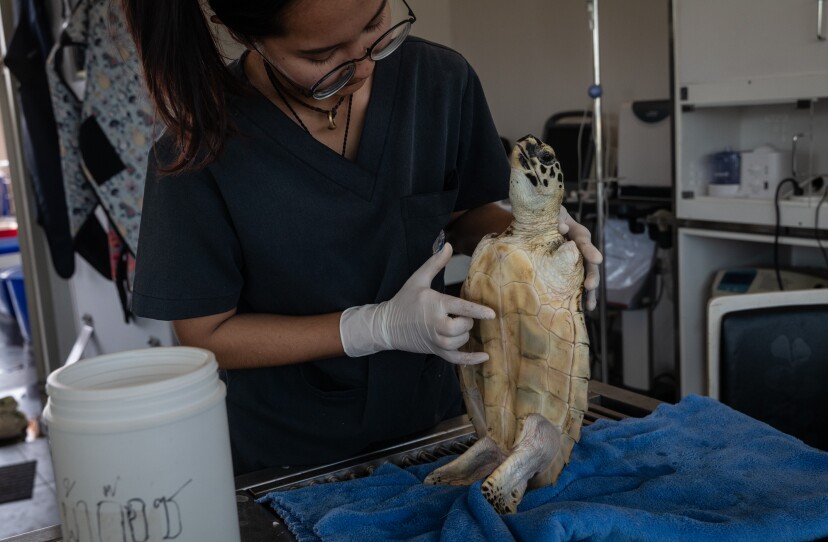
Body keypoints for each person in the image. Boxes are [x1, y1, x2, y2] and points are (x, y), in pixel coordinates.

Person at [120, 0, 603, 475]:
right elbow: (207, 335)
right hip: (290, 459)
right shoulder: (198, 148)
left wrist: (531, 234)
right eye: (321, 57)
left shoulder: (438, 81)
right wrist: (373, 328)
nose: (365, 66)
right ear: (249, 37)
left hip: (438, 425)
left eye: (376, 25)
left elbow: (460, 215)